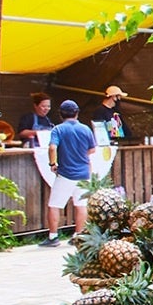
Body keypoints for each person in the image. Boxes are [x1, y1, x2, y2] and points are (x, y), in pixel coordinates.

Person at [36, 99, 97, 245]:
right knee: (81, 205)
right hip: (84, 173)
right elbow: (92, 149)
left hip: (66, 173)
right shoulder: (86, 129)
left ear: (60, 114)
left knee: (55, 205)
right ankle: (78, 236)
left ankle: (53, 237)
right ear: (77, 113)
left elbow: (52, 147)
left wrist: (52, 163)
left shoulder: (58, 129)